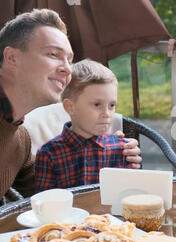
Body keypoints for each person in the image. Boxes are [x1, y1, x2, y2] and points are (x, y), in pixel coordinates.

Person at [0, 9, 141, 199]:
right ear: (12, 58)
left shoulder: (20, 140)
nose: (68, 69)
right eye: (53, 54)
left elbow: (52, 192)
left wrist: (106, 154)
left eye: (69, 60)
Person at [35, 59, 131, 191]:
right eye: (97, 105)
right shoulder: (49, 153)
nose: (107, 113)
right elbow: (45, 203)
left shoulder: (122, 148)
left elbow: (129, 195)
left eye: (112, 105)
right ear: (70, 107)